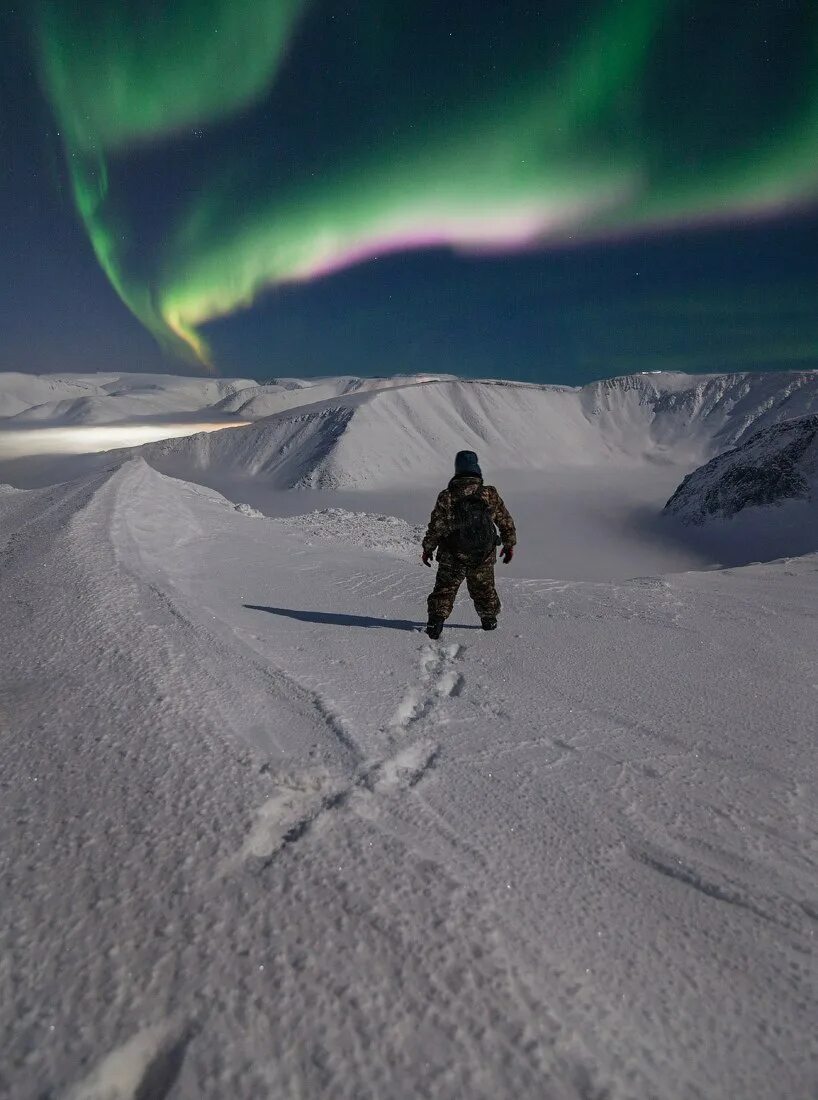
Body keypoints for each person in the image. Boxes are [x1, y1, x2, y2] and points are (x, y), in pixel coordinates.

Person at [421, 450, 516, 639]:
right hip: (483, 553)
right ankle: (489, 623)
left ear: (457, 469)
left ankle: (435, 624)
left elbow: (436, 527)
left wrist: (428, 548)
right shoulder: (489, 493)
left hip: (452, 553)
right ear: (476, 468)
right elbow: (505, 520)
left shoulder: (447, 496)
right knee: (484, 590)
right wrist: (509, 544)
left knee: (444, 590)